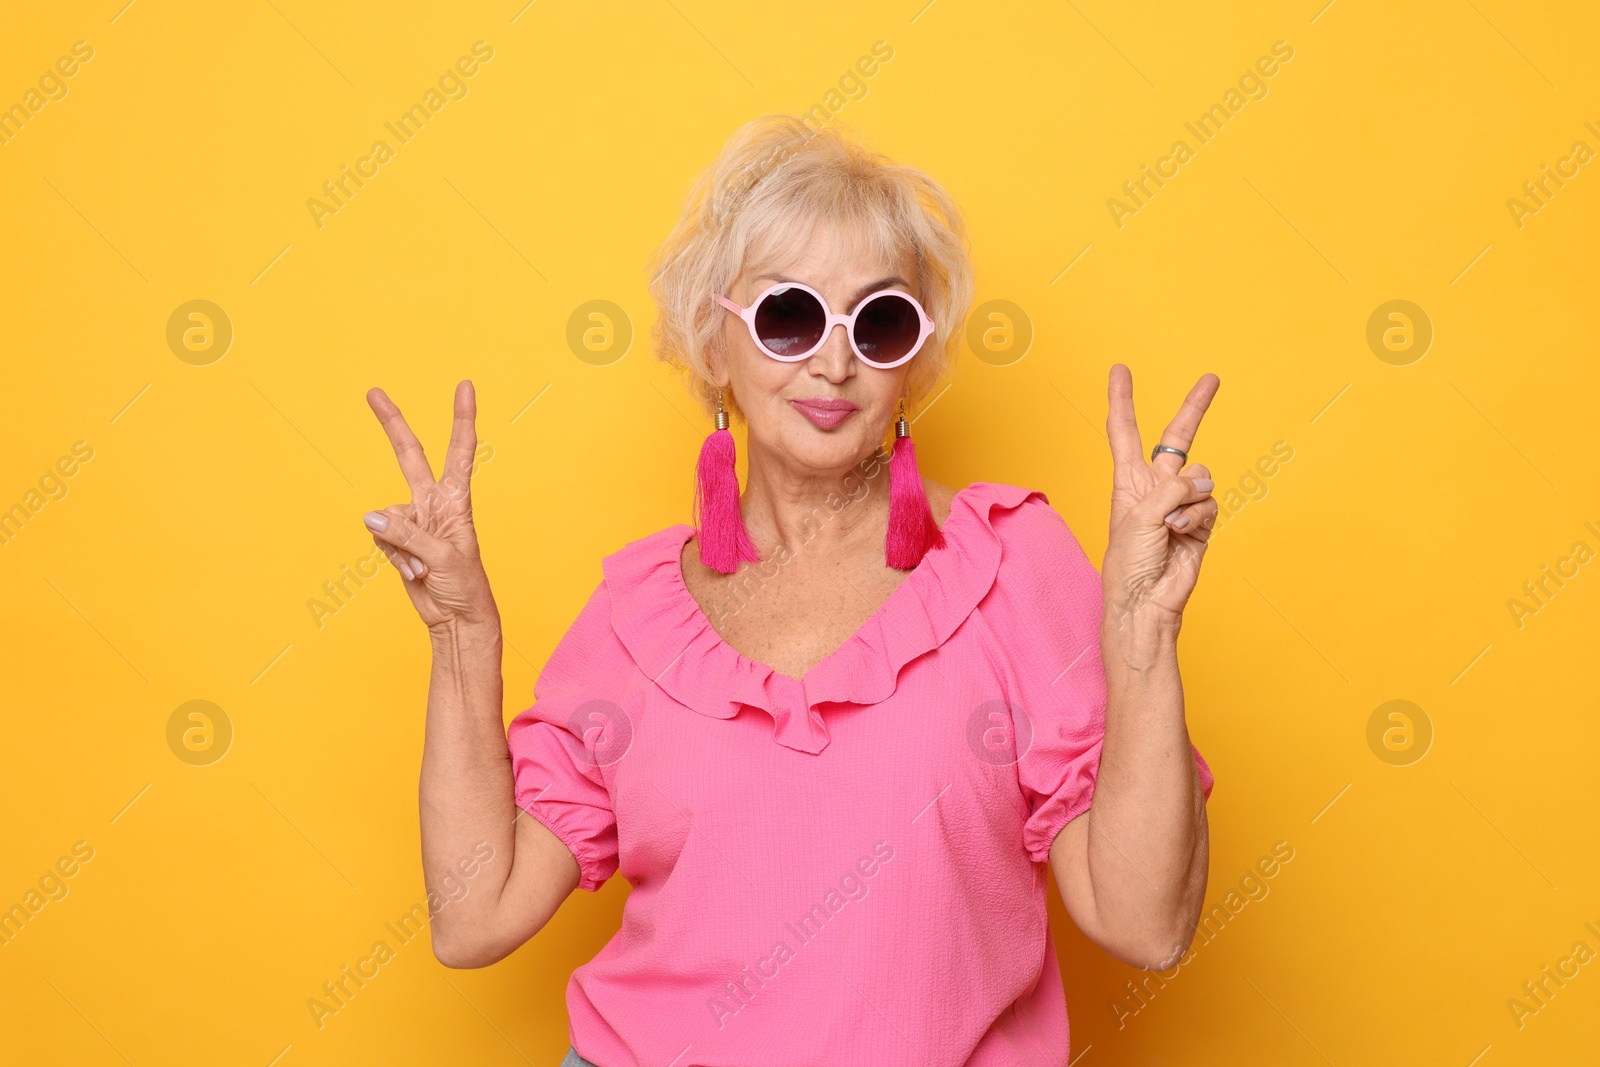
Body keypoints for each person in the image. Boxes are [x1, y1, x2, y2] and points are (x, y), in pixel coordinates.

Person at [361, 114, 1220, 1067]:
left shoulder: (1012, 563)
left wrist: (1142, 635)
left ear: (912, 364)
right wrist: (461, 636)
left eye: (879, 320)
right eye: (789, 315)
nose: (835, 360)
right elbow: (473, 915)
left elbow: (1147, 926)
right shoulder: (636, 618)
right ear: (714, 348)